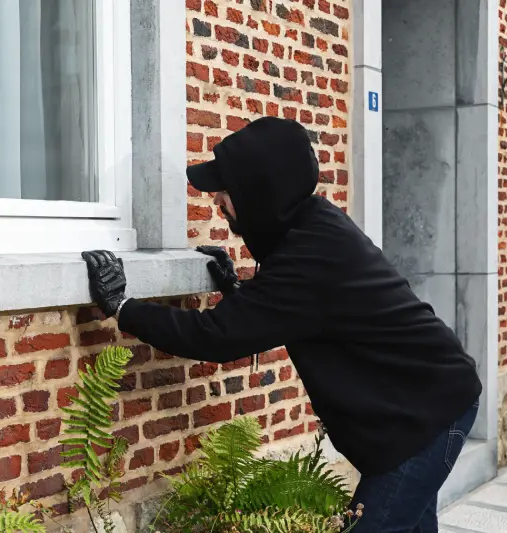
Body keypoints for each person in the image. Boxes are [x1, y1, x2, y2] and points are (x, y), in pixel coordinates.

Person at [80, 116, 482, 533]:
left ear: (259, 193)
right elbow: (289, 313)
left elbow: (216, 336)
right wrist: (237, 289)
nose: (216, 198)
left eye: (225, 189)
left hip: (427, 415)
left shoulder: (311, 254)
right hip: (422, 405)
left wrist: (123, 307)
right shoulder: (308, 229)